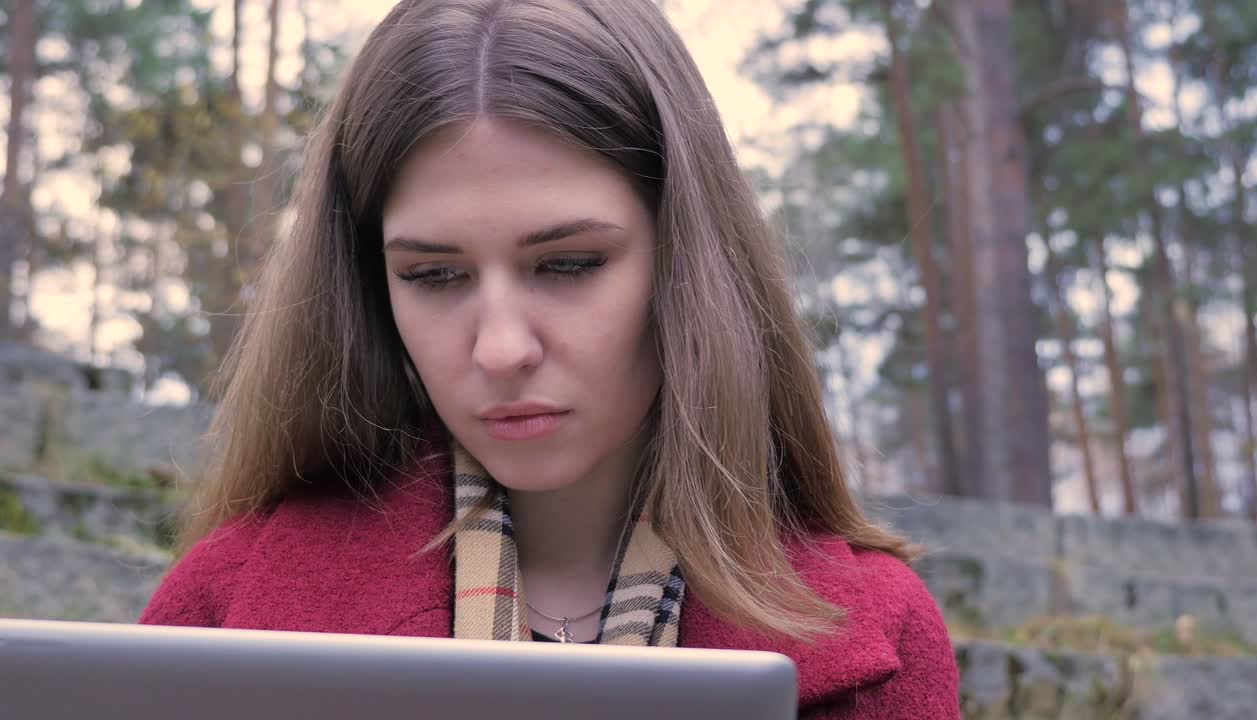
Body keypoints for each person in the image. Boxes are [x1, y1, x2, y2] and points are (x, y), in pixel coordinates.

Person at [139, 1, 961, 717]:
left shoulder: (878, 638)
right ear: (368, 285)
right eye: (434, 276)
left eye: (567, 265)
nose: (502, 348)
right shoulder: (222, 605)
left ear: (685, 261)